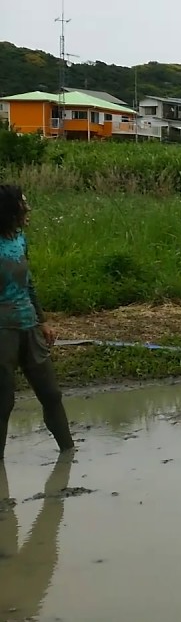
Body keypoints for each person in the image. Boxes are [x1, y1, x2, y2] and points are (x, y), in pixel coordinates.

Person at [0, 185, 74, 460]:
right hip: (3, 331)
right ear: (9, 212)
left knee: (51, 394)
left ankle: (69, 454)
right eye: (23, 204)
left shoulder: (19, 239)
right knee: (3, 402)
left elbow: (28, 283)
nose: (28, 208)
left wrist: (42, 321)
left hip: (28, 324)